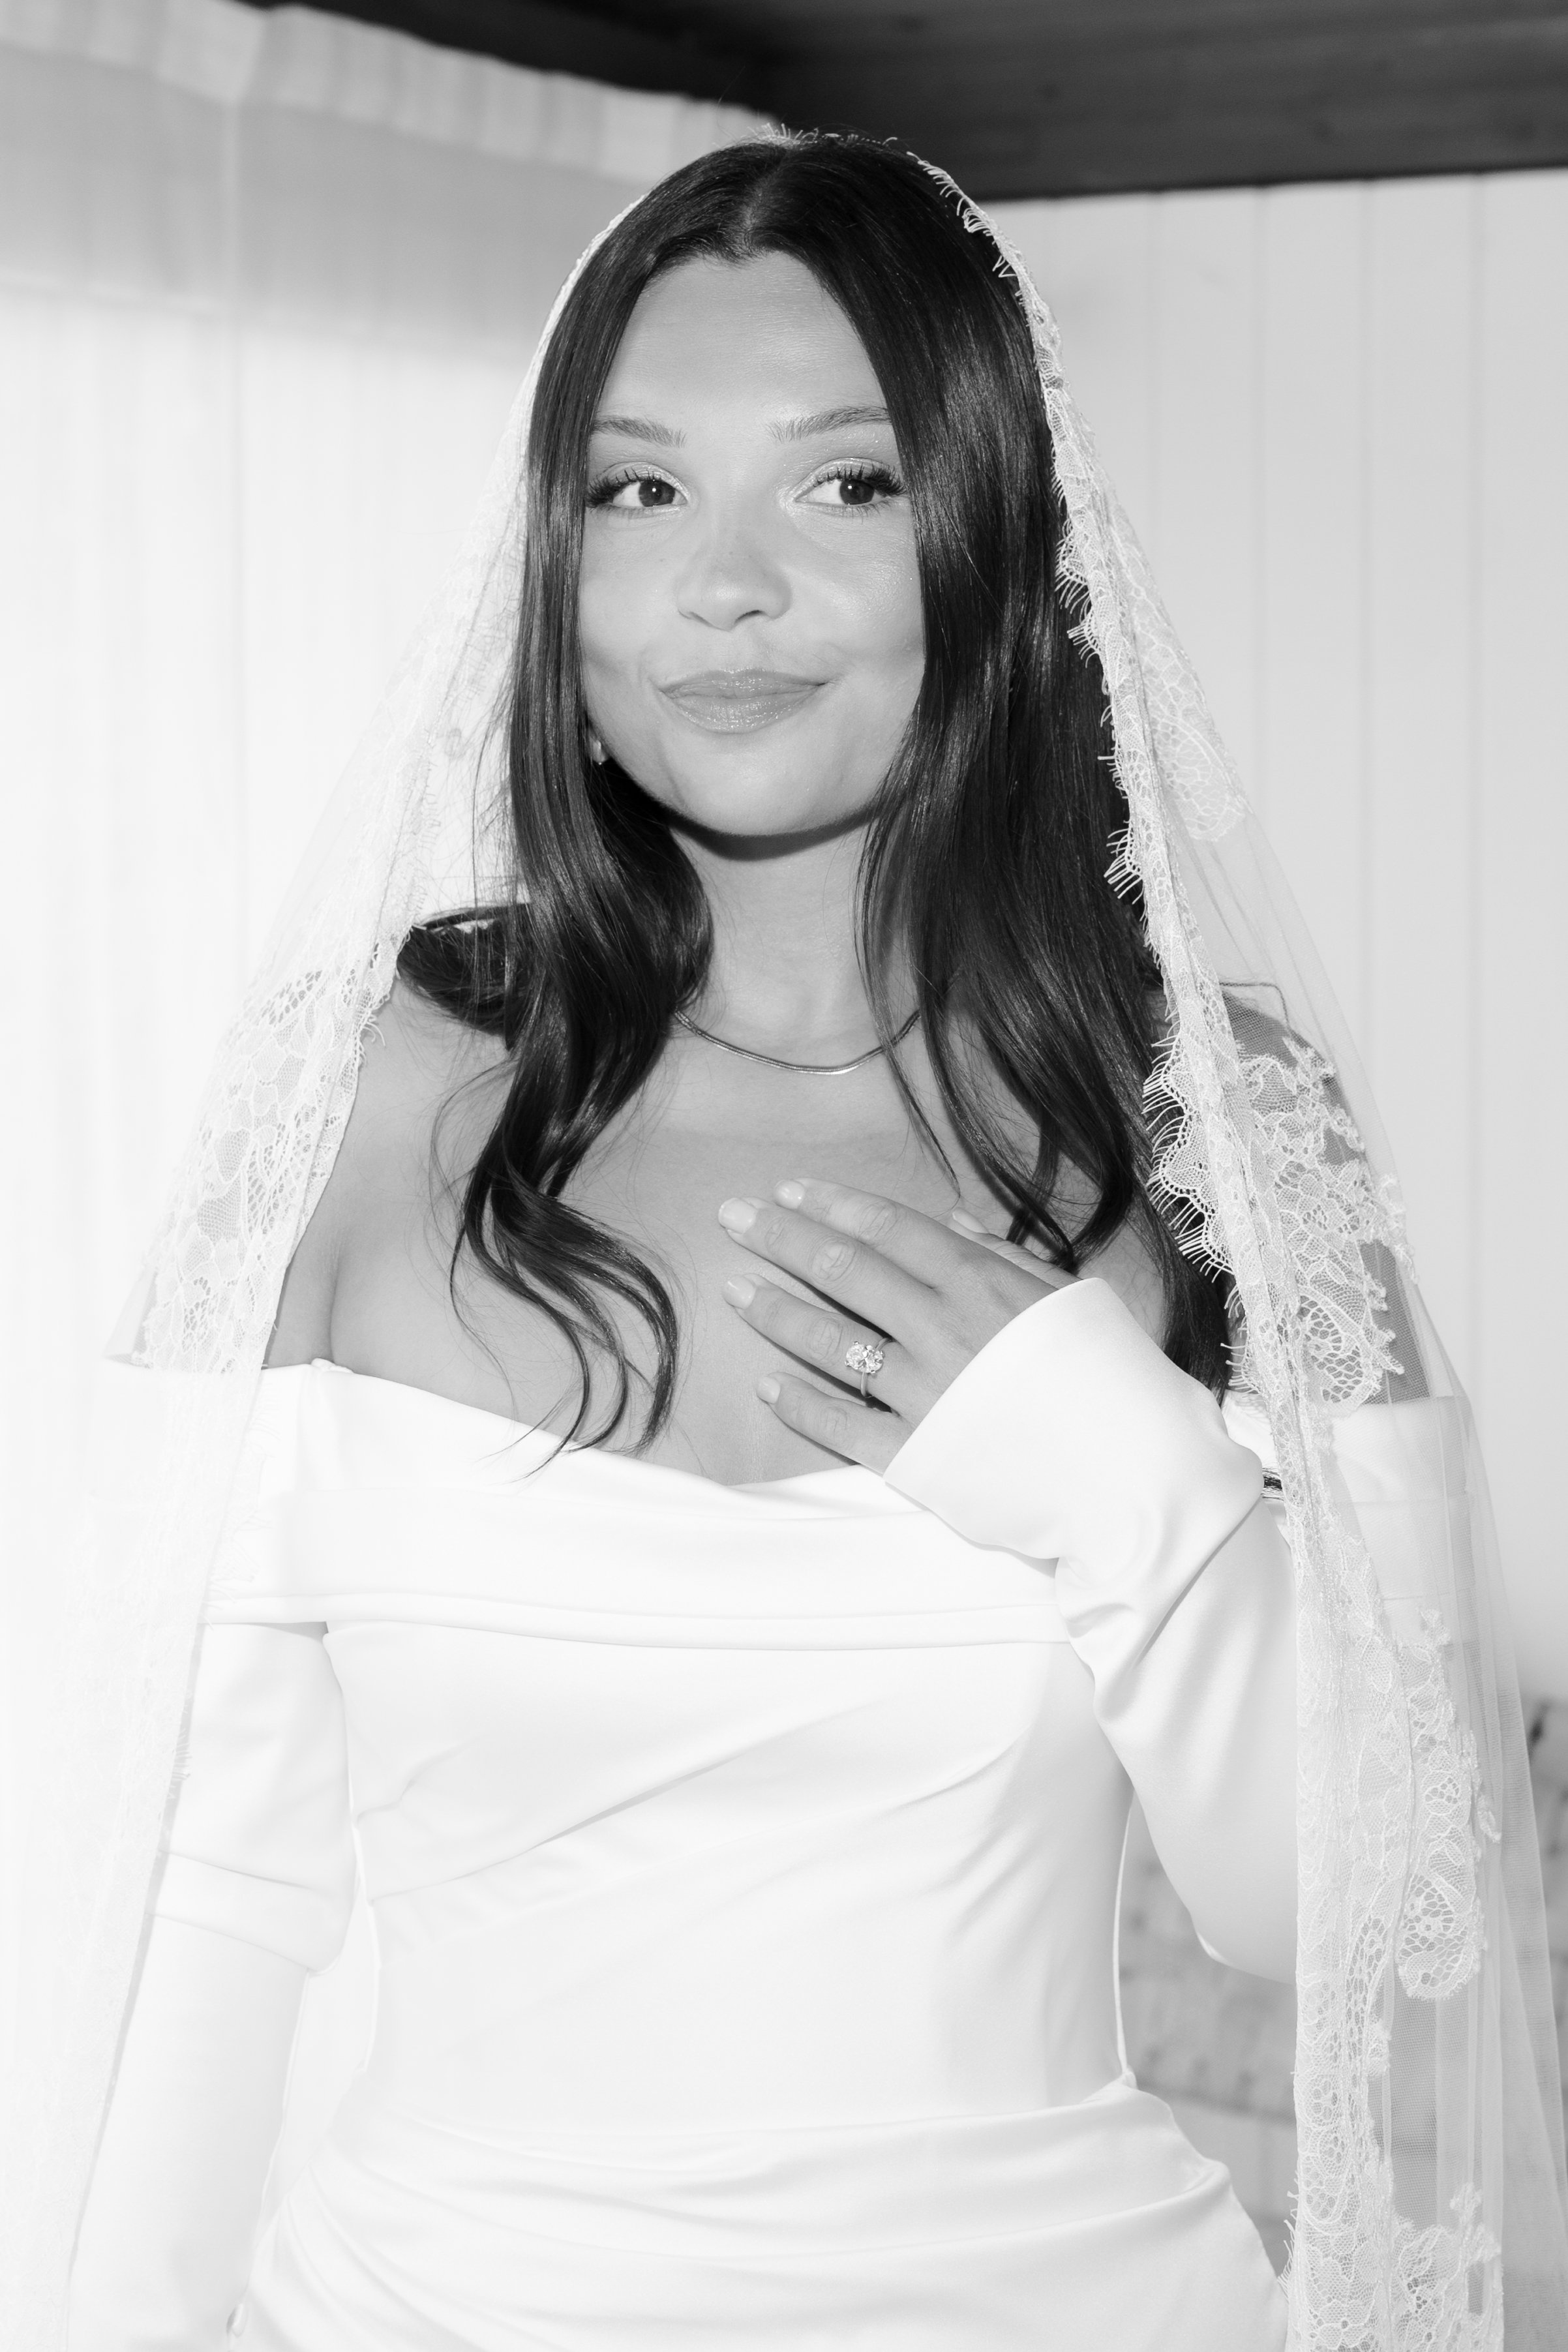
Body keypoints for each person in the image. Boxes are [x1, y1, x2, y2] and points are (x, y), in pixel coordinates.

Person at [20, 134, 1565, 2351]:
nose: (719, 589)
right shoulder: (342, 1102)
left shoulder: (1220, 1131)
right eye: (636, 495)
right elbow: (177, 1897)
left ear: (994, 535)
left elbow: (1373, 1919)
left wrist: (1105, 1468)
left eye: (840, 486)